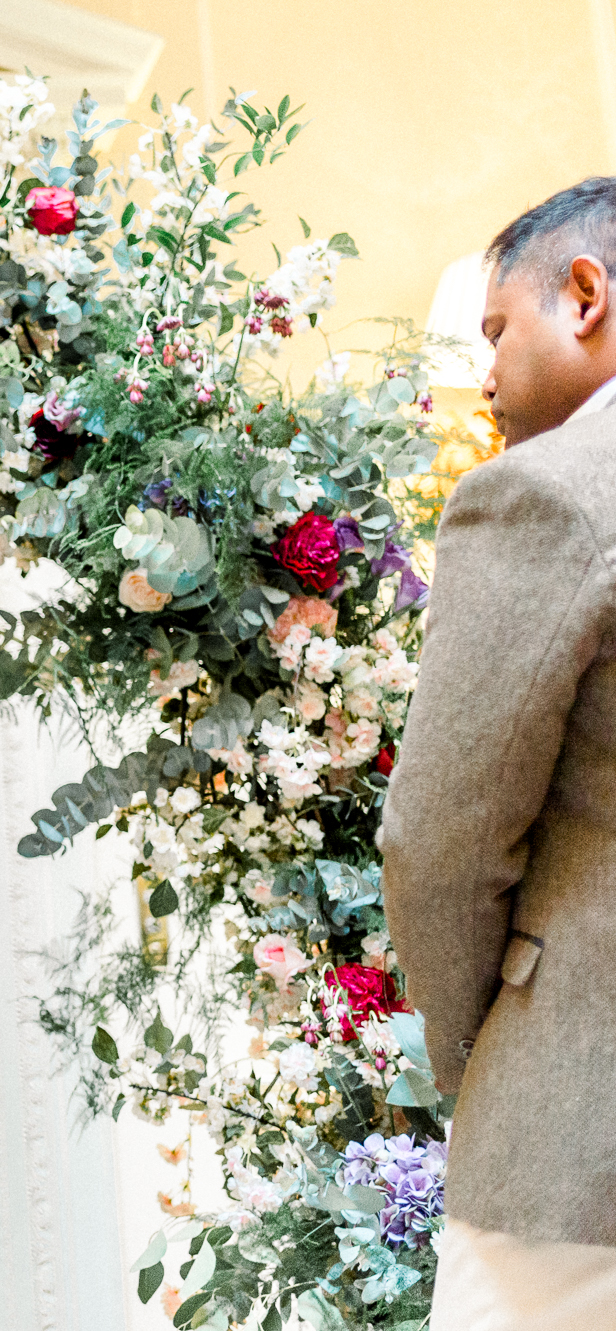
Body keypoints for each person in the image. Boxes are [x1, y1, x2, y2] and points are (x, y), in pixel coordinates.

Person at [382, 176, 616, 1328]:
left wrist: (475, 1044)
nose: (481, 376)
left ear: (583, 296)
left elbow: (437, 837)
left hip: (576, 1143)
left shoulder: (546, 495)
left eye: (493, 331)